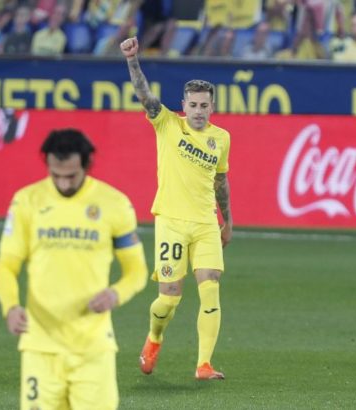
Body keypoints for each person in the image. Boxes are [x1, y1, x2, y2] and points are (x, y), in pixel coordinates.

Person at [0, 129, 148, 409]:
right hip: (40, 347)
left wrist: (116, 294)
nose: (63, 184)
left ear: (87, 165)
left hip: (93, 348)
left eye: (71, 176)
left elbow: (137, 270)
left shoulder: (114, 204)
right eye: (56, 175)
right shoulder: (27, 201)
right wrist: (10, 306)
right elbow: (7, 264)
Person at [120, 36, 233, 380]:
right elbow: (144, 94)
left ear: (212, 106)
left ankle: (204, 364)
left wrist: (226, 220)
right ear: (183, 104)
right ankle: (154, 339)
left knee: (210, 285)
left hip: (205, 224)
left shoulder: (221, 138)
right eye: (193, 105)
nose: (199, 111)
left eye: (204, 105)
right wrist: (133, 61)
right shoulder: (168, 124)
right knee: (169, 299)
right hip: (170, 221)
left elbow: (220, 182)